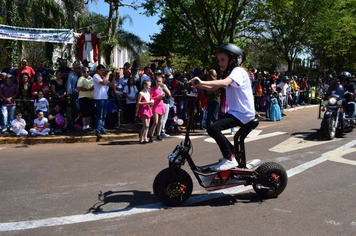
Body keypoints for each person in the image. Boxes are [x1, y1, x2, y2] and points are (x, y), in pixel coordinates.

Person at [192, 43, 255, 171]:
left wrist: (202, 81)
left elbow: (224, 83)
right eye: (219, 60)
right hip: (236, 113)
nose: (220, 63)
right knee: (213, 128)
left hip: (243, 114)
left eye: (223, 60)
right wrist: (199, 85)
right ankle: (232, 153)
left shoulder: (238, 71)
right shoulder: (232, 73)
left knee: (213, 128)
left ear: (233, 60)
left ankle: (230, 159)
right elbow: (214, 86)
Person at [93, 64, 114, 138]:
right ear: (98, 70)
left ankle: (102, 128)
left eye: (103, 70)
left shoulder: (104, 77)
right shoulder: (96, 76)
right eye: (101, 70)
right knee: (99, 114)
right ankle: (97, 130)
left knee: (104, 115)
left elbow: (110, 85)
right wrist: (108, 74)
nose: (103, 72)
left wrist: (113, 77)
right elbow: (104, 83)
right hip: (99, 98)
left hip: (104, 98)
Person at [148, 76, 170, 142]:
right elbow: (150, 98)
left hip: (161, 105)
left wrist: (163, 96)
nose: (158, 83)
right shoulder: (153, 89)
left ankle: (158, 135)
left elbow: (168, 94)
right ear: (155, 81)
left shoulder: (162, 88)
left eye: (160, 81)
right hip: (155, 105)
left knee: (160, 122)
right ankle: (151, 136)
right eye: (157, 81)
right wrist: (157, 97)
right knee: (155, 122)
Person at [77, 66, 95, 135]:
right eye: (84, 71)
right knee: (85, 113)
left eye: (87, 72)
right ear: (82, 72)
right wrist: (88, 89)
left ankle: (87, 126)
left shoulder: (91, 78)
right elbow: (78, 87)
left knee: (89, 113)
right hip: (83, 98)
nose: (86, 73)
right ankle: (84, 127)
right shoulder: (81, 78)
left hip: (91, 98)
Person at [137, 80, 154, 144]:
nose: (149, 87)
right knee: (145, 125)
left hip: (148, 108)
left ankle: (145, 137)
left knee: (148, 125)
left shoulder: (148, 93)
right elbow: (138, 102)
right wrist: (147, 103)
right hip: (143, 109)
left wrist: (150, 103)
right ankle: (141, 138)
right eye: (148, 86)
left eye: (150, 86)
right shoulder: (141, 93)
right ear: (144, 85)